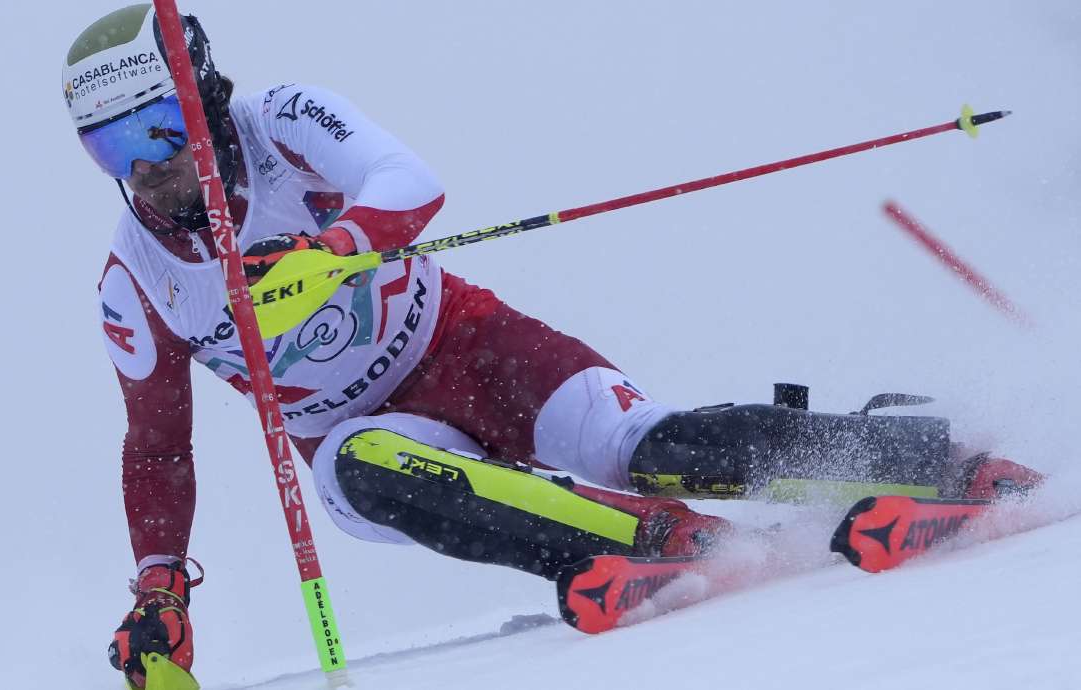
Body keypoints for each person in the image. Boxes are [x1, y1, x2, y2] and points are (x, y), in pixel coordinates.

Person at [63, 5, 1044, 687]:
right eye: (113, 151)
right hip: (358, 439)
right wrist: (160, 586)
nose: (147, 170)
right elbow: (156, 446)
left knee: (648, 449)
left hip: (464, 342)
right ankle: (663, 546)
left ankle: (945, 464)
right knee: (367, 465)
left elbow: (409, 178)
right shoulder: (135, 279)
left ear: (202, 89)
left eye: (158, 128)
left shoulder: (279, 120)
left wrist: (335, 249)